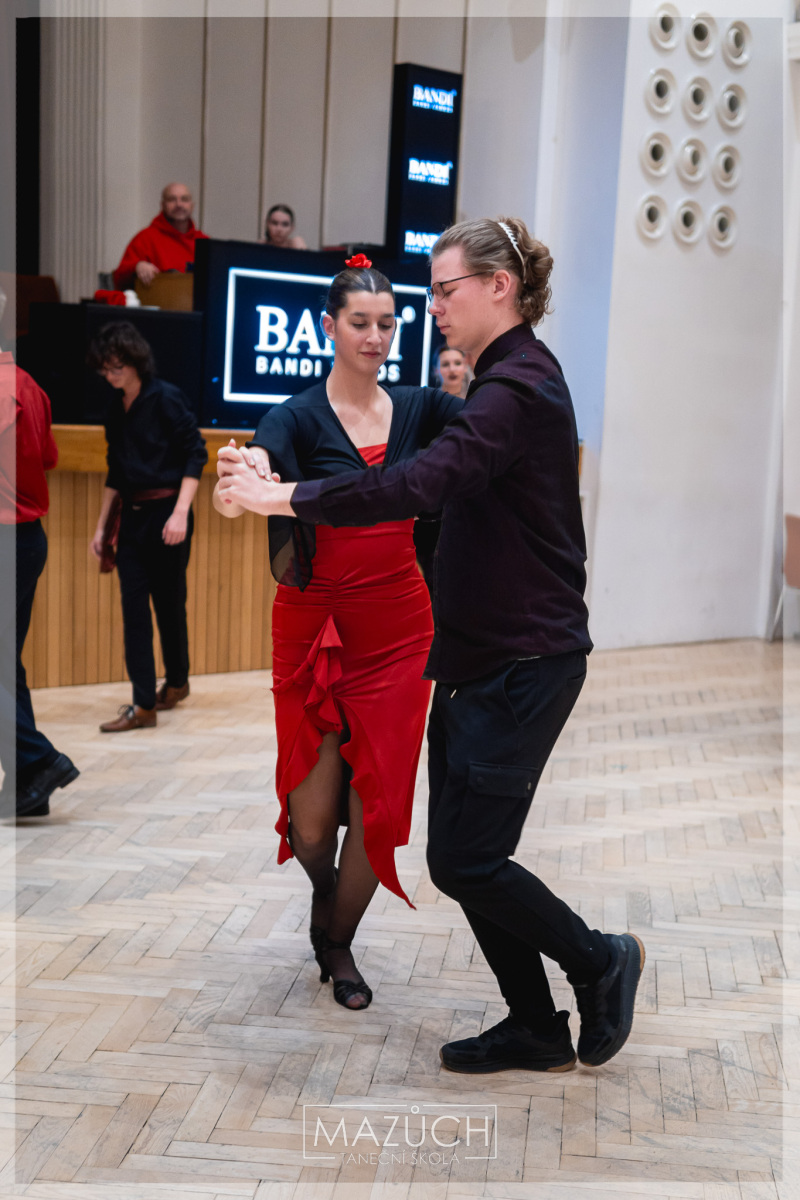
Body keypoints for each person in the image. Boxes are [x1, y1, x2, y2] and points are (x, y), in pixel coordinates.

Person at [217, 217, 645, 1071]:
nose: (433, 309)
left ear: (499, 287)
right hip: (474, 659)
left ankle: (601, 959)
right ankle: (534, 1025)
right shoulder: (499, 384)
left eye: (445, 291)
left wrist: (288, 497)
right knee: (462, 853)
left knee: (464, 857)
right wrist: (254, 480)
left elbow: (419, 481)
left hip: (525, 660)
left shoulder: (516, 390)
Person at [214, 256, 462, 1010]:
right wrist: (241, 480)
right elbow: (246, 484)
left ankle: (339, 940)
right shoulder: (293, 417)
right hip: (314, 625)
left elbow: (491, 435)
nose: (375, 337)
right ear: (329, 326)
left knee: (375, 806)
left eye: (387, 324)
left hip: (399, 628)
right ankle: (325, 892)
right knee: (314, 823)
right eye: (360, 323)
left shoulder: (422, 408)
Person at [88, 322, 207, 731]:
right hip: (131, 519)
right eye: (104, 369)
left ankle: (177, 681)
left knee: (170, 605)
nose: (110, 375)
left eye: (116, 367)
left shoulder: (166, 398)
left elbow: (196, 455)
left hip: (168, 513)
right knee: (134, 611)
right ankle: (143, 706)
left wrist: (180, 512)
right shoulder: (114, 408)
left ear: (135, 361)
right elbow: (115, 473)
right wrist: (101, 528)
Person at [0, 286, 79, 818]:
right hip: (29, 539)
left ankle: (41, 759)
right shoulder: (30, 386)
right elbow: (47, 457)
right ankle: (29, 783)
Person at [113, 182, 208, 290]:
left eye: (184, 199)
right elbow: (119, 280)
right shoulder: (145, 238)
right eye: (172, 199)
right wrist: (137, 267)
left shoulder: (204, 242)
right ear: (162, 205)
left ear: (192, 205)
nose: (179, 204)